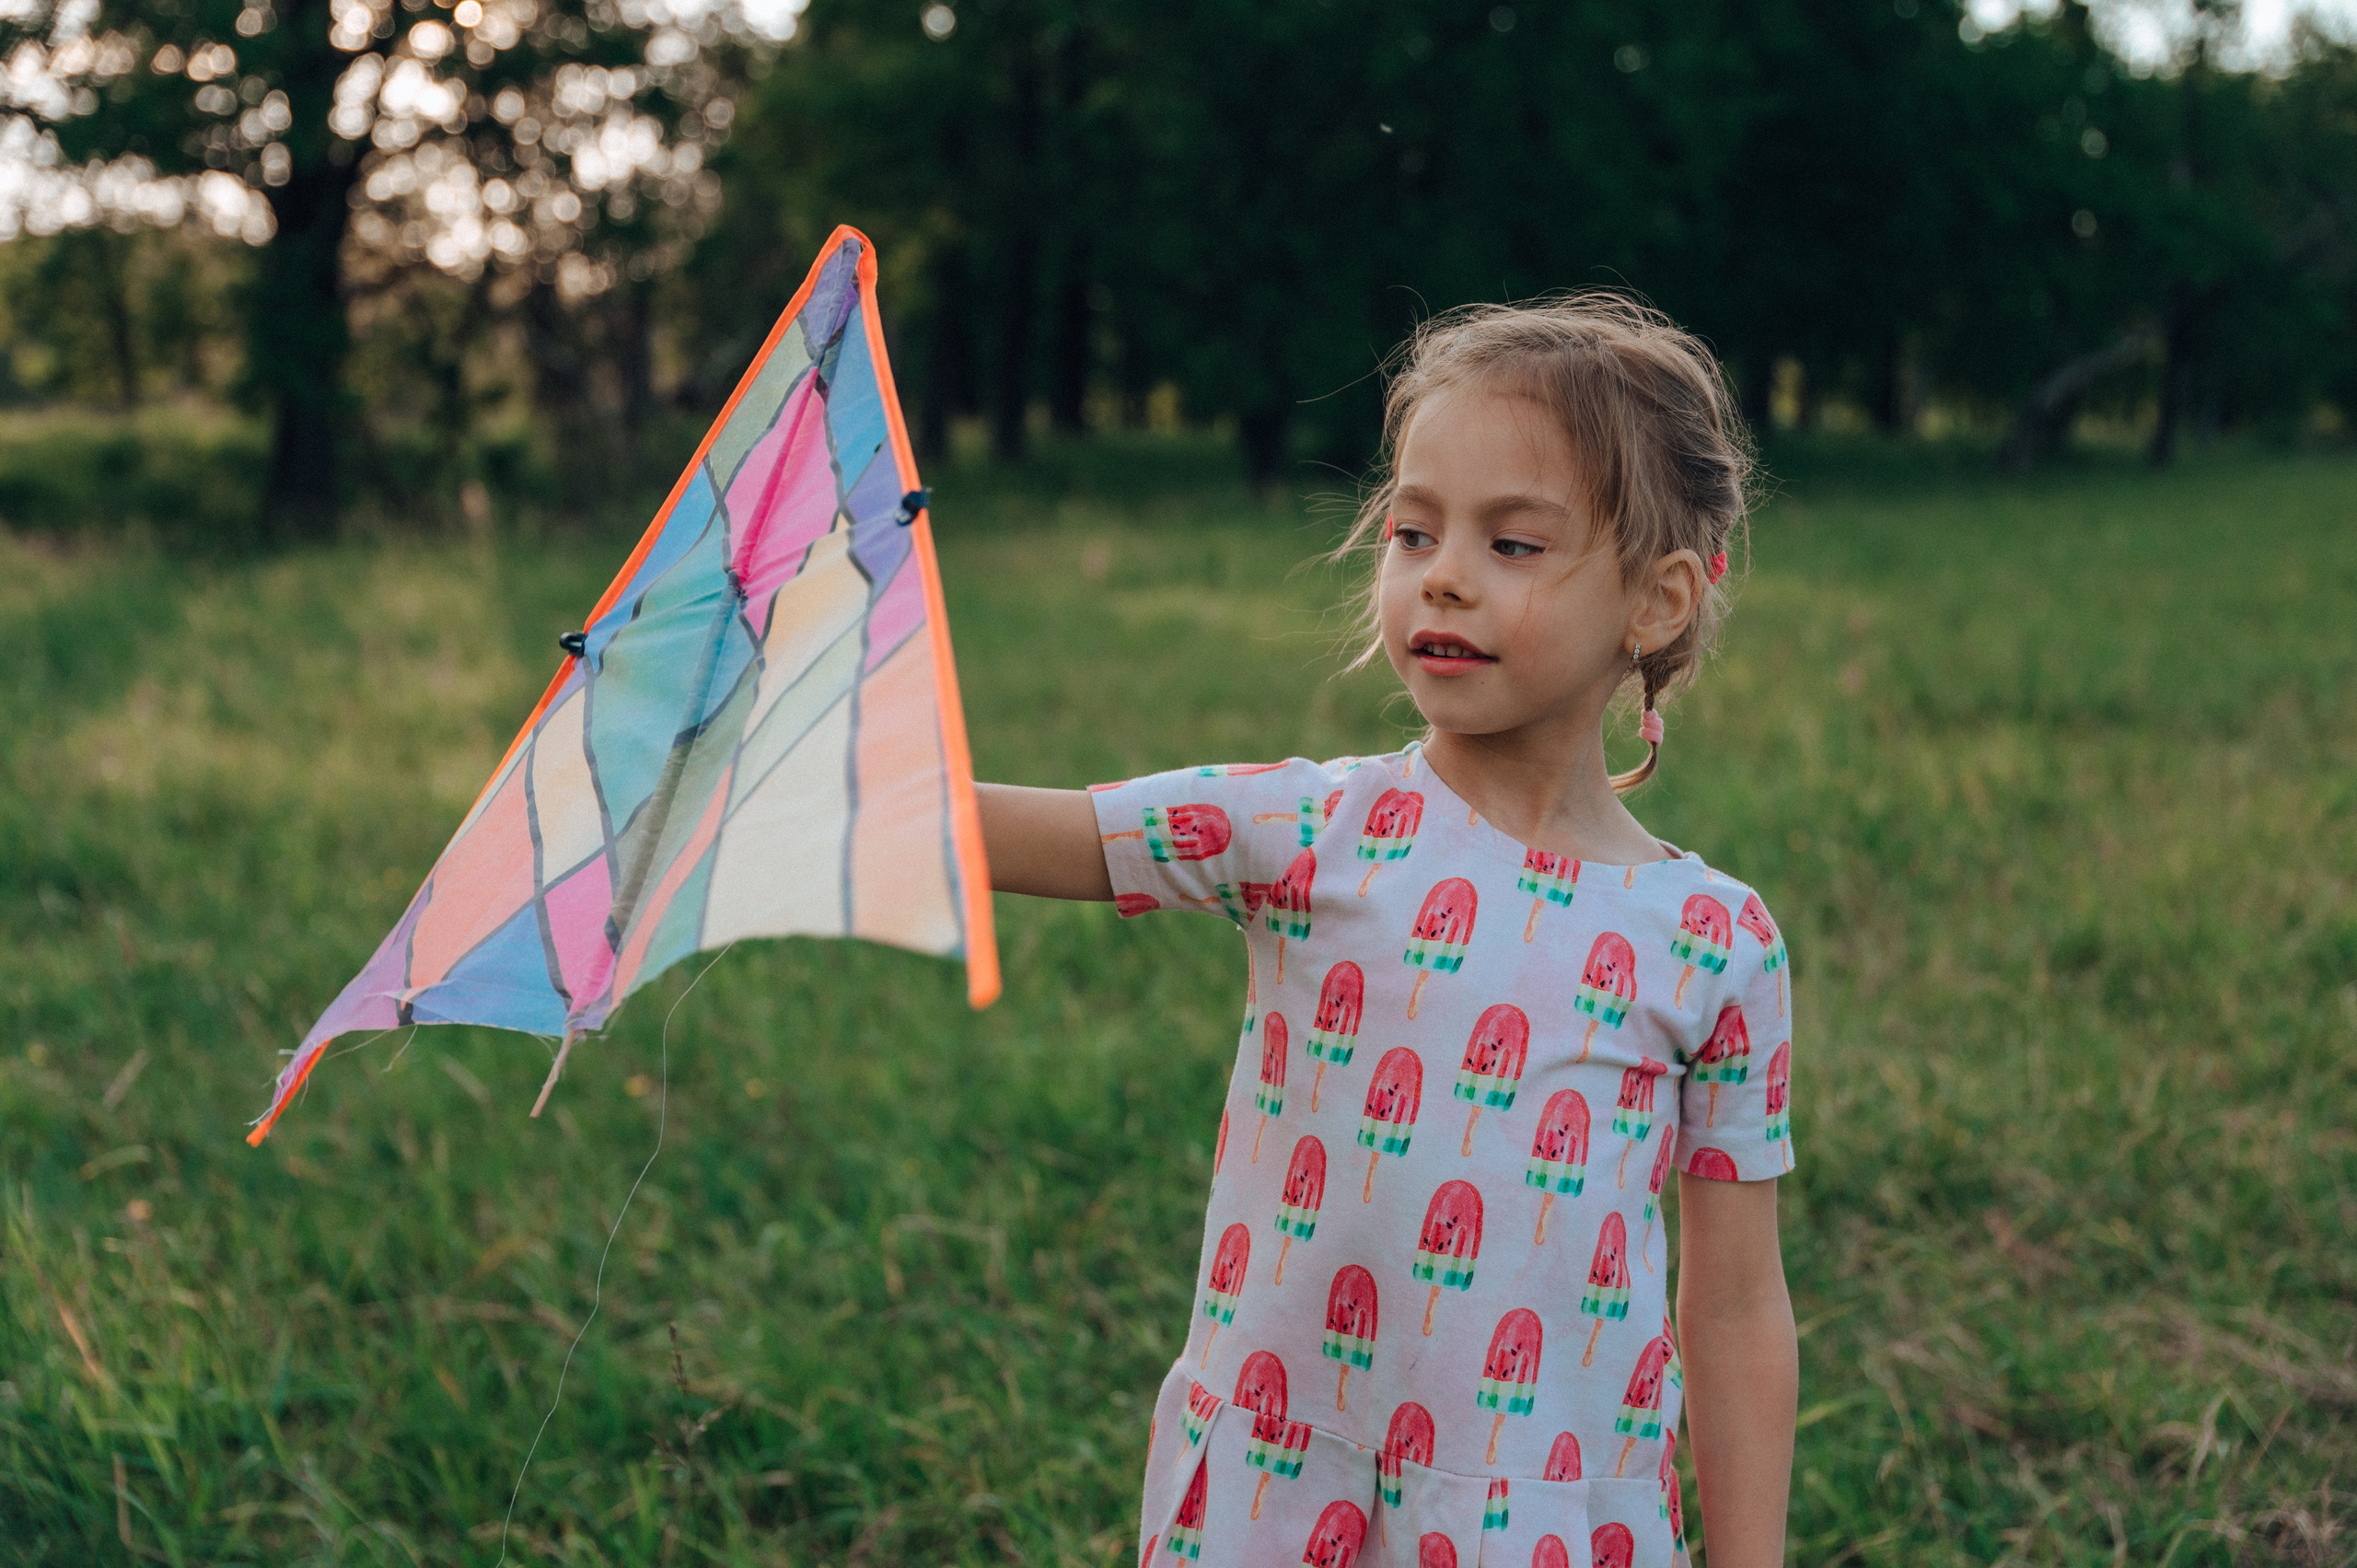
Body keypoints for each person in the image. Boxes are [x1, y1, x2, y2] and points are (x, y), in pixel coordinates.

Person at [978, 298, 1797, 1568]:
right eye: (1413, 531)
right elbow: (1023, 833)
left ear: (1656, 601)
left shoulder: (1711, 940)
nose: (1444, 573)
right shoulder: (1311, 829)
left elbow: (1737, 1304)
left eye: (1514, 544)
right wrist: (810, 778)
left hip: (1541, 1516)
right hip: (1276, 1485)